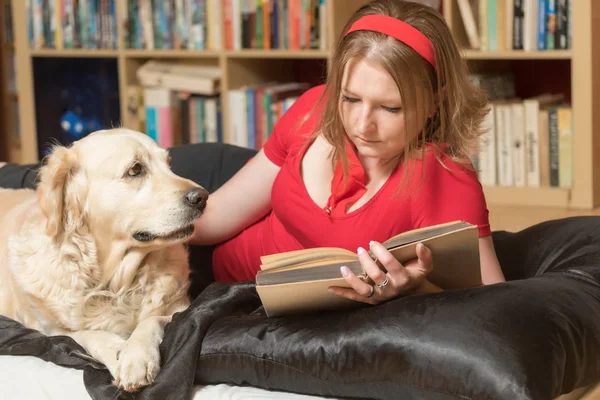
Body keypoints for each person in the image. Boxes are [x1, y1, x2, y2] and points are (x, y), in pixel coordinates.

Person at [0, 0, 505, 305]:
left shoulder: (445, 181)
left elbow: (495, 304)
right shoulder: (314, 109)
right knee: (44, 182)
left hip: (228, 281)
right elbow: (216, 214)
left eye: (390, 108)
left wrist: (410, 293)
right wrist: (120, 220)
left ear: (434, 101)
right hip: (208, 179)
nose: (359, 123)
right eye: (349, 97)